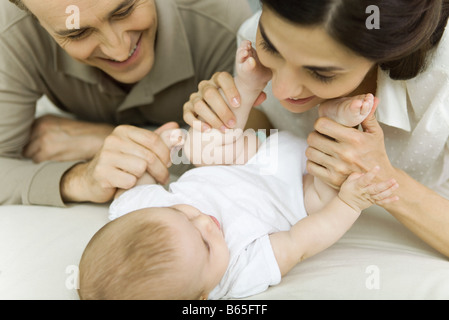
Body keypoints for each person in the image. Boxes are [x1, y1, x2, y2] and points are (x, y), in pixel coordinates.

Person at [77, 41, 398, 300]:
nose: (206, 221)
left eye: (184, 216)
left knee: (201, 146)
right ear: (202, 297)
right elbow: (300, 242)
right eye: (205, 245)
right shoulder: (236, 275)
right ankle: (339, 122)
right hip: (296, 189)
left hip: (250, 156)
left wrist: (158, 148)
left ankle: (247, 86)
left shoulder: (137, 215)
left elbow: (138, 182)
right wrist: (350, 203)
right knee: (324, 195)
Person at [183, 0, 449, 258]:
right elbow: (266, 139)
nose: (281, 89)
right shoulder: (276, 27)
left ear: (388, 53)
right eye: (272, 48)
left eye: (322, 74)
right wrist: (225, 113)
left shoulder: (442, 80)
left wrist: (383, 178)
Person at [0, 0, 252, 206]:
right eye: (78, 33)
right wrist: (78, 179)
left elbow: (259, 149)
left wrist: (99, 140)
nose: (119, 50)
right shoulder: (11, 29)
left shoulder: (221, 17)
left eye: (125, 10)